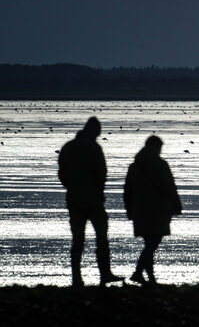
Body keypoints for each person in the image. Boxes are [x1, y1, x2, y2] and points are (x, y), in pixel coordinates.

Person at [57, 116, 124, 287]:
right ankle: (105, 274)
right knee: (101, 236)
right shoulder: (94, 148)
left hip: (74, 199)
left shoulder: (68, 147)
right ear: (94, 131)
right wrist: (99, 192)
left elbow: (62, 174)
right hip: (93, 199)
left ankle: (76, 277)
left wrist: (71, 187)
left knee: (78, 238)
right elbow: (101, 173)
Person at [124, 135, 182, 286]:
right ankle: (138, 273)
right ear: (156, 147)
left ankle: (150, 278)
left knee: (149, 243)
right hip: (158, 210)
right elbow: (170, 187)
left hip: (139, 211)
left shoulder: (134, 166)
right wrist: (176, 205)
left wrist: (129, 210)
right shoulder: (161, 165)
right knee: (152, 244)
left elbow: (127, 191)